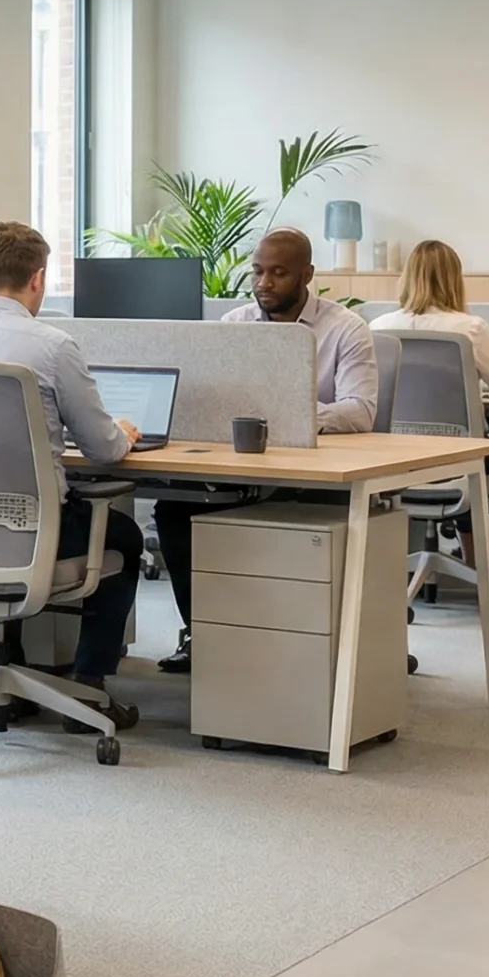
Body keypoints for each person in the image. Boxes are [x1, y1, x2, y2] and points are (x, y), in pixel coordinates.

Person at [0, 222, 144, 727]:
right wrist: (124, 432)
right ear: (38, 280)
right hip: (32, 531)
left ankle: (7, 677)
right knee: (125, 537)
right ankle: (88, 685)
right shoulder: (52, 346)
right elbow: (104, 450)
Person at [155, 228, 378, 673]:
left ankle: (303, 648)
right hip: (239, 466)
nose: (264, 283)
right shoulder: (234, 326)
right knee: (174, 509)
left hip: (313, 473)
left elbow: (361, 410)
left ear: (306, 275)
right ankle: (203, 631)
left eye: (278, 273)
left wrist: (288, 416)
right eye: (257, 271)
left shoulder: (344, 330)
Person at [372, 239, 489, 572]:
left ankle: (470, 562)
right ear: (453, 279)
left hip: (393, 463)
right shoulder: (470, 328)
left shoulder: (377, 327)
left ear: (406, 278)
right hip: (454, 460)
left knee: (473, 456)